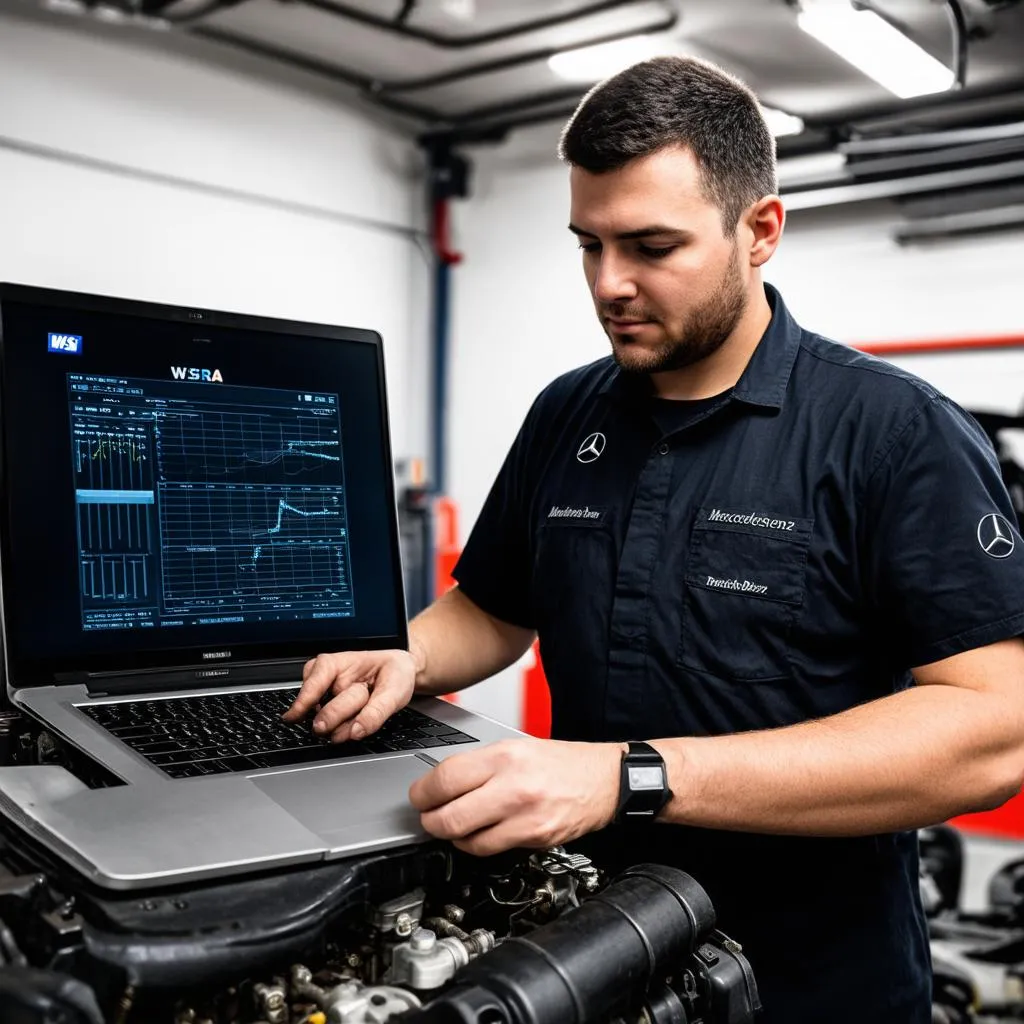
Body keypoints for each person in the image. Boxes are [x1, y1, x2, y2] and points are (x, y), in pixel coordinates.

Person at [284, 56, 1024, 1024]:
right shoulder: (568, 412)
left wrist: (626, 775)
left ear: (759, 231)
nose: (608, 283)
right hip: (589, 954)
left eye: (649, 245)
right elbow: (495, 608)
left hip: (807, 979)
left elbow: (994, 732)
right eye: (587, 244)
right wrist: (404, 654)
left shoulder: (891, 432)